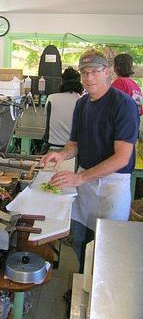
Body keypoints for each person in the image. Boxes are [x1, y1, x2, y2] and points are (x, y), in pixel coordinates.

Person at [40, 49, 140, 274]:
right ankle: (83, 283)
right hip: (84, 185)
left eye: (95, 71)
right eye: (84, 72)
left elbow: (122, 157)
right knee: (79, 240)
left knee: (106, 248)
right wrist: (62, 155)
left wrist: (80, 177)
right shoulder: (82, 104)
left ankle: (98, 290)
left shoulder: (123, 105)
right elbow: (74, 143)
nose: (89, 77)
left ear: (107, 72)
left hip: (112, 187)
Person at [42, 67, 83, 151]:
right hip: (73, 150)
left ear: (62, 82)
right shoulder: (82, 101)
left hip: (51, 147)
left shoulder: (51, 98)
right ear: (79, 83)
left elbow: (47, 118)